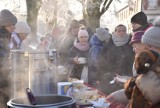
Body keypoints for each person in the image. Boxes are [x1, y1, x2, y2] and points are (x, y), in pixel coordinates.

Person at [124, 16, 160, 108]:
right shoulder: (153, 63)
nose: (147, 49)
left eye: (150, 46)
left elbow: (154, 95)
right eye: (146, 46)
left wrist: (142, 76)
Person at [106, 31, 146, 108]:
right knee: (111, 98)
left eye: (135, 47)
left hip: (142, 98)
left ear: (144, 45)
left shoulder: (149, 62)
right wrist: (124, 78)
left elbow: (144, 84)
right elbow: (137, 79)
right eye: (133, 47)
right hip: (135, 93)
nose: (134, 50)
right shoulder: (138, 58)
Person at [97, 24, 134, 95]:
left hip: (125, 77)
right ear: (115, 32)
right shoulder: (108, 44)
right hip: (110, 76)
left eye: (123, 31)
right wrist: (99, 76)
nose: (121, 33)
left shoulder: (130, 44)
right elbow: (101, 61)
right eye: (119, 31)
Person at [0, 9, 17, 108]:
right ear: (4, 24)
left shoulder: (5, 37)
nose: (14, 27)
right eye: (12, 24)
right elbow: (2, 62)